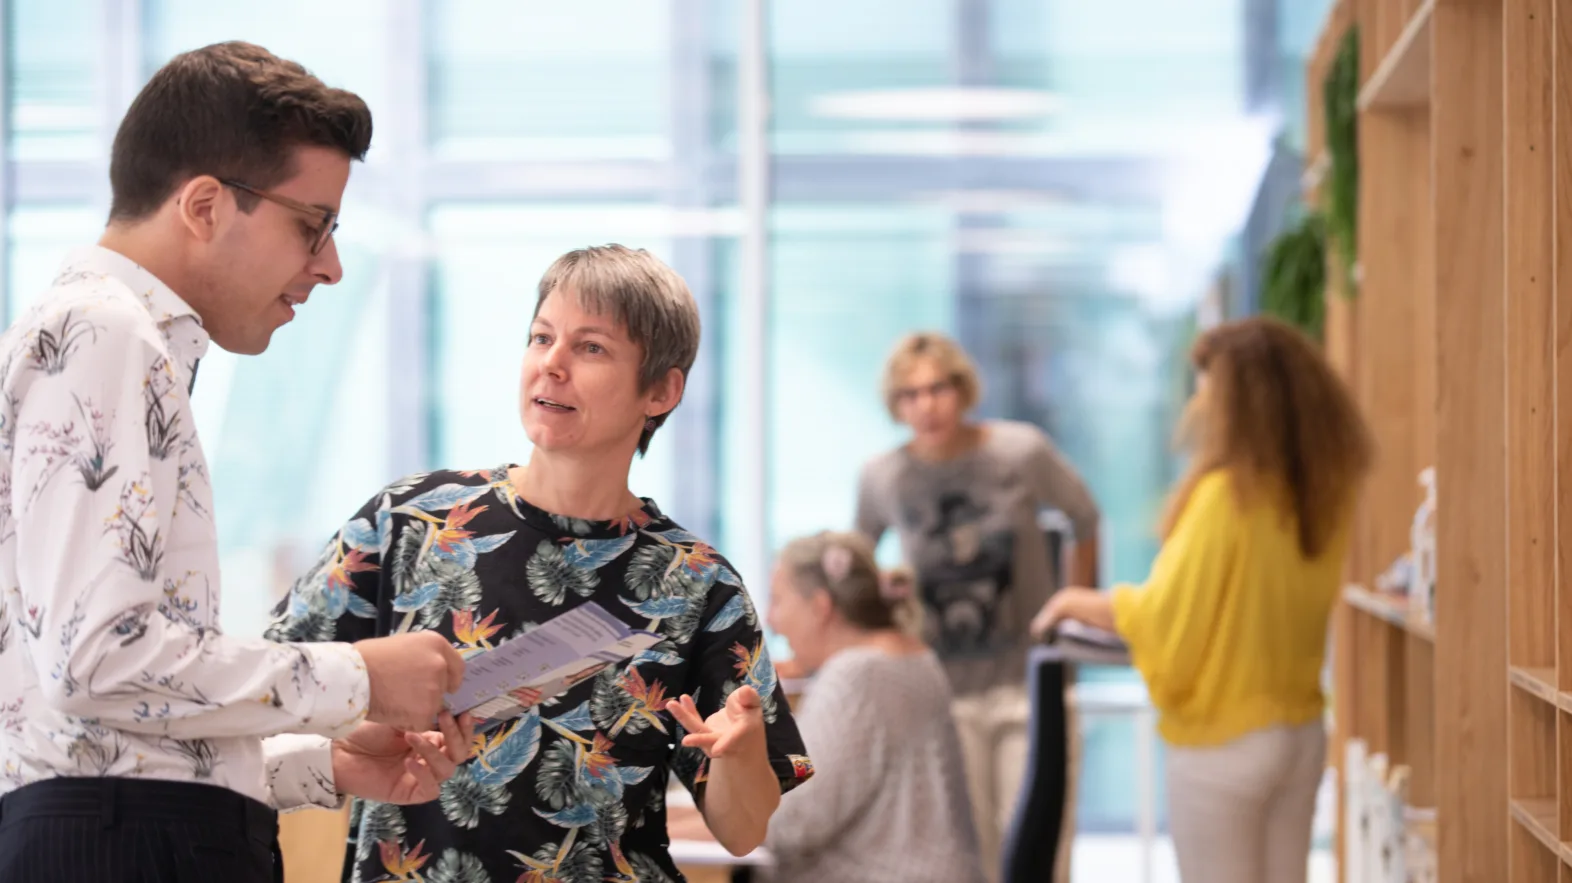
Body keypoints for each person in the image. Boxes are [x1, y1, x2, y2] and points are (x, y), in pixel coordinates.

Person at [0, 43, 475, 883]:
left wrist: (317, 763)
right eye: (313, 224)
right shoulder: (107, 332)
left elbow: (91, 724)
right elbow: (95, 661)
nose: (329, 265)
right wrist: (357, 676)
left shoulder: (101, 334)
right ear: (206, 205)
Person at [266, 244, 813, 883]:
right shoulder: (415, 519)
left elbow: (742, 831)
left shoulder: (697, 583)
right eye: (541, 337)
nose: (551, 365)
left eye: (591, 348)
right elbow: (271, 684)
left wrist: (741, 753)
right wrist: (363, 718)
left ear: (661, 390)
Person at [1033, 316, 1372, 883]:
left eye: (1209, 384)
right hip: (1299, 732)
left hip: (1224, 741)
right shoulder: (1320, 495)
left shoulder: (1224, 497)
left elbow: (1166, 616)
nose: (1200, 401)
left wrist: (1071, 601)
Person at [854, 331, 1099, 883]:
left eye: (938, 388)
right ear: (896, 405)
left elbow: (1084, 517)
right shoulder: (883, 476)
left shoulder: (1020, 451)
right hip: (945, 695)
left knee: (1038, 853)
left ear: (962, 389)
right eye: (910, 394)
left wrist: (1073, 604)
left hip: (1030, 686)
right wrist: (887, 605)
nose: (927, 404)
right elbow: (857, 565)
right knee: (969, 859)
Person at [760, 530, 985, 883]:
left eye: (778, 601)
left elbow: (791, 823)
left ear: (820, 607)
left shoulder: (854, 676)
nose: (772, 621)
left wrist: (682, 818)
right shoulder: (914, 656)